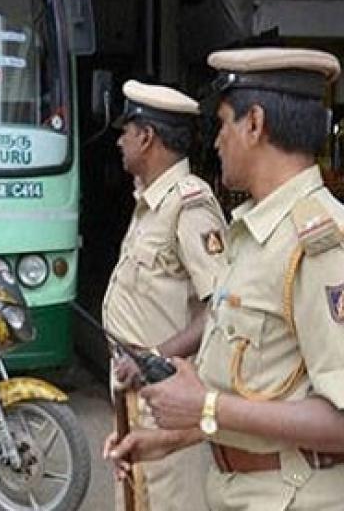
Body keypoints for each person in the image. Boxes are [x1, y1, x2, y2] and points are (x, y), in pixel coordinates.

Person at [105, 48, 344, 510]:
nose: (214, 142)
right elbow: (268, 389)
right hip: (238, 488)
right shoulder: (253, 234)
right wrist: (172, 437)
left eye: (223, 124)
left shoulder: (318, 243)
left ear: (254, 124)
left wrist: (206, 407)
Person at [102, 81, 227, 511]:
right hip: (137, 393)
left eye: (126, 131)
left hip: (168, 396)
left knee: (173, 499)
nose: (119, 141)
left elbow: (223, 307)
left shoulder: (189, 204)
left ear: (147, 136)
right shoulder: (149, 204)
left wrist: (151, 356)